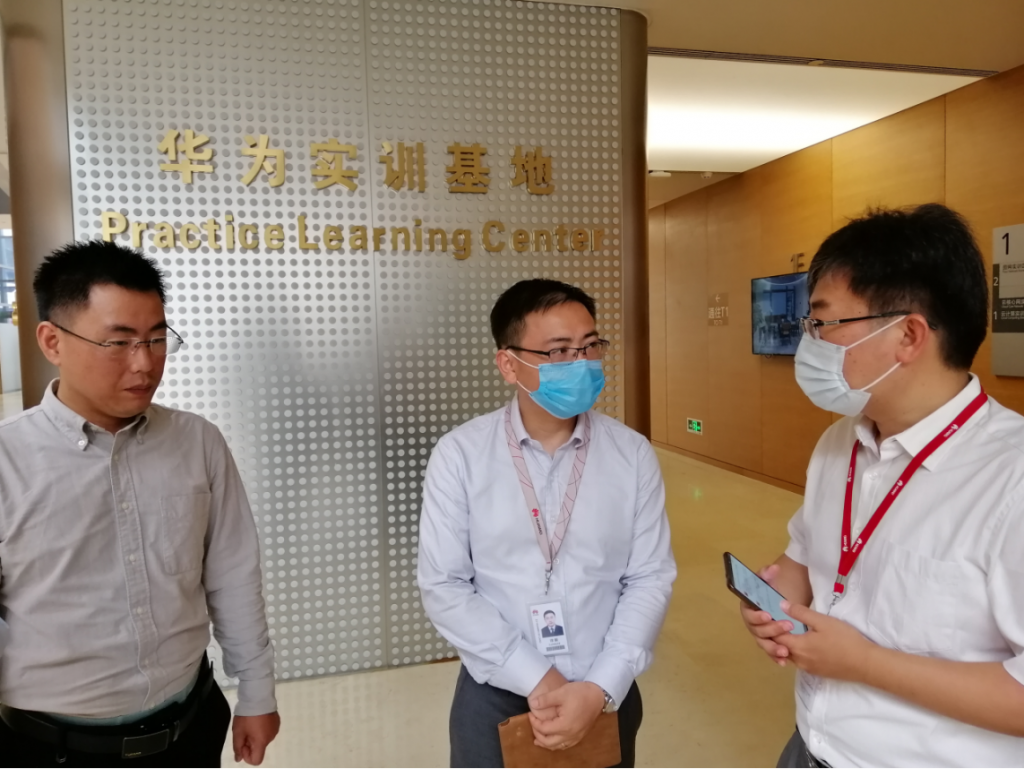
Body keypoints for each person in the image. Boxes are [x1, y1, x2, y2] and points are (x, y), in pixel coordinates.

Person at [739, 204, 1024, 767]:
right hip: (811, 746)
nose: (810, 342)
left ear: (908, 335)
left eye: (824, 324)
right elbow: (805, 556)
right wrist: (776, 600)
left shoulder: (1010, 478)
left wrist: (865, 664)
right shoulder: (839, 442)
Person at [0, 241, 279, 767]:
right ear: (52, 341)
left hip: (190, 727)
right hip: (48, 745)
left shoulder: (197, 441)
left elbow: (233, 575)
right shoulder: (8, 458)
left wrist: (257, 691)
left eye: (156, 339)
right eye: (119, 342)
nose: (145, 363)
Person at [418, 279, 676, 768]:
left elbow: (649, 577)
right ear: (509, 364)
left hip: (604, 693)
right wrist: (539, 678)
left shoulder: (632, 454)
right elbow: (445, 585)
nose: (581, 362)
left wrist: (600, 686)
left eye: (590, 346)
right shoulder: (461, 455)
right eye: (558, 351)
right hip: (498, 692)